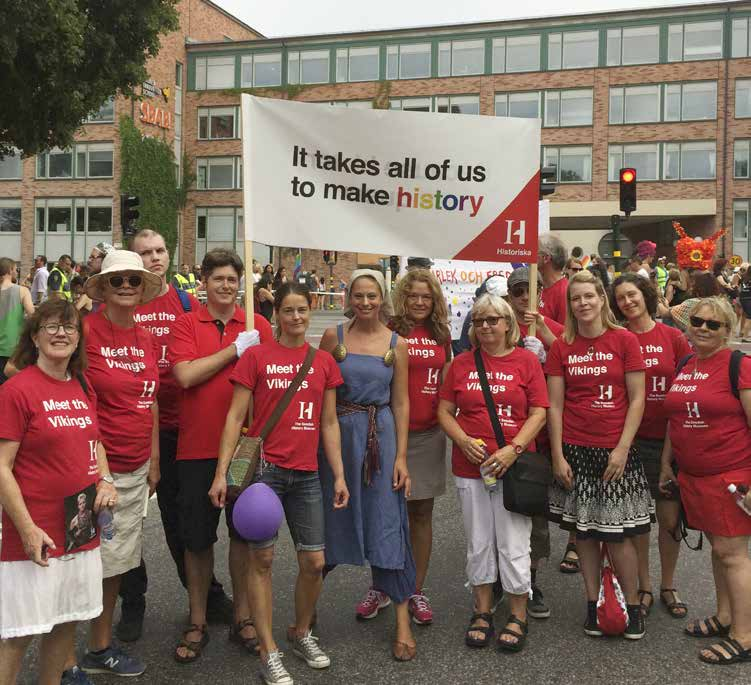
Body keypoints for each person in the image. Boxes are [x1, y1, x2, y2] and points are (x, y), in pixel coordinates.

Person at [210, 283, 349, 684]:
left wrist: (338, 474)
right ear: (277, 315)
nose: (296, 317)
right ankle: (269, 652)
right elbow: (235, 417)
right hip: (265, 474)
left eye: (302, 309)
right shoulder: (256, 356)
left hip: (306, 474)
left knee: (315, 562)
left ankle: (301, 632)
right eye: (287, 310)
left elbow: (328, 422)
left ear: (312, 310)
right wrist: (222, 473)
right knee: (263, 561)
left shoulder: (323, 362)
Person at [0, 300, 117, 685]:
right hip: (36, 534)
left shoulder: (83, 385)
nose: (60, 333)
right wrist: (27, 528)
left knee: (65, 623)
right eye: (50, 326)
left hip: (80, 530)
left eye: (68, 327)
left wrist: (106, 480)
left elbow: (95, 443)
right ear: (34, 336)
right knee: (20, 632)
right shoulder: (17, 390)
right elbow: (2, 466)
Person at [169, 249, 272, 665]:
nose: (226, 286)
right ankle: (197, 620)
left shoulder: (258, 324)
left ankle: (243, 618)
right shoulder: (185, 322)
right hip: (197, 449)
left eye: (233, 279)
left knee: (244, 537)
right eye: (218, 279)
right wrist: (235, 350)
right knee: (196, 540)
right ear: (204, 282)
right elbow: (186, 375)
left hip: (246, 449)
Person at [546, 270, 653, 640]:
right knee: (586, 536)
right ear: (570, 305)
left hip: (615, 452)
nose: (583, 303)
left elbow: (637, 398)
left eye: (589, 296)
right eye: (576, 299)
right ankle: (593, 604)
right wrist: (558, 455)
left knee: (619, 537)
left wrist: (623, 448)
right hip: (576, 452)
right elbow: (555, 405)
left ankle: (634, 604)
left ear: (601, 299)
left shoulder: (623, 340)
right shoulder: (561, 346)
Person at [438, 294, 548, 652]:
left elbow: (539, 412)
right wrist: (463, 440)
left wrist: (513, 449)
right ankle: (482, 610)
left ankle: (518, 613)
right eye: (479, 320)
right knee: (479, 541)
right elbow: (444, 411)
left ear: (507, 324)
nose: (486, 326)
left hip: (512, 467)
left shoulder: (527, 361)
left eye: (493, 320)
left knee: (514, 542)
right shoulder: (462, 364)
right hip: (470, 467)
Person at [318, 269, 417, 662]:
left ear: (382, 299)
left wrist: (402, 457)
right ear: (349, 299)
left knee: (387, 519)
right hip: (341, 436)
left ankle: (403, 621)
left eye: (371, 296)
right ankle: (305, 615)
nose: (364, 303)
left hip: (383, 436)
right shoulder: (333, 338)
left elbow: (402, 402)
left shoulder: (398, 344)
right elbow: (319, 390)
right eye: (358, 296)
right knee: (329, 521)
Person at [78, 250, 163, 677]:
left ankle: (98, 646)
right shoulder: (86, 331)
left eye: (133, 280)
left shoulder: (147, 337)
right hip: (90, 468)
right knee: (77, 560)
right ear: (104, 288)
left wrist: (154, 458)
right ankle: (81, 649)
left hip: (134, 468)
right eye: (117, 281)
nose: (127, 286)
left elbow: (150, 401)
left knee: (114, 562)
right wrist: (102, 468)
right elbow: (76, 400)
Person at [661, 297, 751, 664]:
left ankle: (744, 636)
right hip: (693, 476)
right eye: (697, 320)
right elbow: (675, 417)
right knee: (719, 549)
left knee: (733, 554)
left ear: (727, 330)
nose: (702, 328)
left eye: (713, 325)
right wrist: (667, 462)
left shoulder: (738, 364)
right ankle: (726, 616)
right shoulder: (686, 362)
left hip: (730, 476)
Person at [609, 273, 691, 619]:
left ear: (645, 294)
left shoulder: (673, 337)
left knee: (670, 519)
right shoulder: (616, 338)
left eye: (632, 295)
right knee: (638, 520)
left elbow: (689, 384)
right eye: (621, 299)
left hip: (670, 440)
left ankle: (668, 585)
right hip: (631, 439)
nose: (628, 302)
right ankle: (642, 585)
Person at [388, 268, 451, 625]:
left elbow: (447, 380)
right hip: (391, 433)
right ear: (403, 297)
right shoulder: (392, 330)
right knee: (388, 514)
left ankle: (415, 588)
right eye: (413, 295)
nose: (419, 302)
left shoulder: (441, 334)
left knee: (421, 514)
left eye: (426, 297)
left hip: (428, 435)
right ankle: (383, 584)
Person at [504, 265, 561, 616]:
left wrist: (546, 351)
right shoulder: (494, 326)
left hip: (537, 439)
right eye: (518, 291)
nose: (525, 296)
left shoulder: (552, 329)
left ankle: (530, 579)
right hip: (501, 435)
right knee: (501, 514)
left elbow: (571, 362)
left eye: (531, 290)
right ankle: (500, 579)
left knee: (534, 515)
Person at [0, 258, 34, 385]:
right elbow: (32, 315)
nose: (16, 272)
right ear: (9, 270)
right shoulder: (22, 291)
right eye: (15, 269)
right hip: (13, 349)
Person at [538, 234, 569, 325]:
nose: (530, 256)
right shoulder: (539, 287)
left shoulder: (564, 292)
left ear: (546, 258)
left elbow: (565, 335)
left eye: (535, 252)